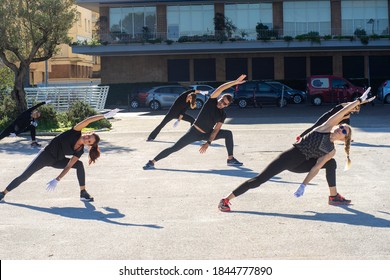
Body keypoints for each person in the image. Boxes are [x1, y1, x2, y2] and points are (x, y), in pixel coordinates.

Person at [218, 87, 371, 212]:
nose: (341, 129)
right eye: (341, 126)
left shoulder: (331, 151)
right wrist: (358, 101)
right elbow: (341, 112)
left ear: (344, 138)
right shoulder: (326, 127)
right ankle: (226, 200)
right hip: (290, 157)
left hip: (302, 166)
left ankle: (333, 196)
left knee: (330, 164)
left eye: (344, 131)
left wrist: (303, 185)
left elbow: (316, 167)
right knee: (259, 180)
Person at [0, 109, 119, 203]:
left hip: (57, 160)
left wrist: (57, 179)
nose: (87, 138)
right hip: (45, 156)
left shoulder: (80, 150)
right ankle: (3, 193)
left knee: (79, 164)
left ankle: (83, 193)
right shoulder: (75, 131)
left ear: (89, 145)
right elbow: (88, 120)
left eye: (89, 141)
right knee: (25, 176)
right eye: (89, 135)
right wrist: (104, 116)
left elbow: (69, 165)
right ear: (87, 133)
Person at [143, 74, 247, 170]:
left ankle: (230, 159)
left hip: (207, 134)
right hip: (194, 132)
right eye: (222, 100)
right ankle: (152, 162)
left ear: (226, 106)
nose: (221, 103)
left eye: (224, 103)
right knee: (174, 148)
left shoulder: (222, 115)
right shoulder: (211, 101)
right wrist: (235, 82)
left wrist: (208, 142)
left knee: (228, 134)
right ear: (220, 97)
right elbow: (221, 88)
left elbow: (216, 130)